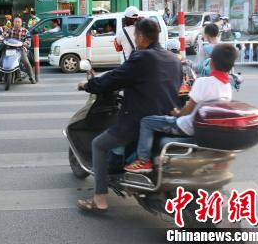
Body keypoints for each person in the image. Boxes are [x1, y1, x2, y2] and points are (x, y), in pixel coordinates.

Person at [76, 18, 181, 213]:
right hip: (166, 121)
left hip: (138, 122)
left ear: (140, 37)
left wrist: (89, 85)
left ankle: (99, 200)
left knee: (98, 145)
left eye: (135, 35)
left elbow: (116, 77)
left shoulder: (141, 57)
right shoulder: (173, 59)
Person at [124, 44, 238, 173]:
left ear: (211, 62)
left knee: (146, 121)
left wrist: (177, 113)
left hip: (186, 126)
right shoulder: (227, 87)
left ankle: (143, 161)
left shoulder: (203, 82)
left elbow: (187, 110)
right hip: (205, 130)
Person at [0, 17, 36, 84]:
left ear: (21, 23)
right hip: (10, 49)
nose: (17, 23)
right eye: (15, 22)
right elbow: (4, 35)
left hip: (20, 49)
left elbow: (28, 40)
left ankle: (31, 77)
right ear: (13, 23)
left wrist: (26, 43)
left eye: (18, 22)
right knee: (2, 61)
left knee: (26, 62)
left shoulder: (25, 31)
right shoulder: (10, 30)